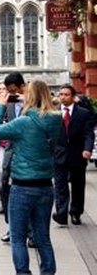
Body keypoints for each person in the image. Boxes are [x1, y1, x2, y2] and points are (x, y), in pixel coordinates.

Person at [0, 79, 61, 275]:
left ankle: (23, 273)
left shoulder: (23, 122)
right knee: (43, 238)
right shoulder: (56, 119)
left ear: (29, 96)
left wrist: (0, 107)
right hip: (46, 186)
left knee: (18, 238)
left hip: (22, 186)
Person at [52, 84, 95, 226]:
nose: (63, 97)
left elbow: (88, 133)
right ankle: (61, 213)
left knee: (78, 185)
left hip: (78, 154)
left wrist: (87, 149)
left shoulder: (83, 113)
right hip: (59, 154)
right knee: (60, 185)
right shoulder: (53, 113)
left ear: (73, 97)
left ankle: (76, 212)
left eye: (66, 94)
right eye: (61, 94)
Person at [0, 72, 27, 243]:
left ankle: (29, 232)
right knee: (4, 187)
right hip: (10, 152)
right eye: (9, 91)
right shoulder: (8, 104)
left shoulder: (33, 103)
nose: (12, 95)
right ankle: (12, 226)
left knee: (24, 194)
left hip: (26, 155)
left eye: (14, 91)